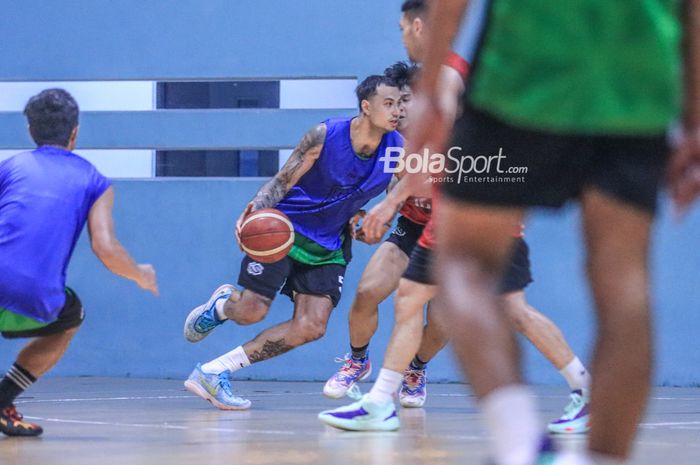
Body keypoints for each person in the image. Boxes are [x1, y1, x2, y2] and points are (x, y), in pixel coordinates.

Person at [407, 0, 700, 464]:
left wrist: (428, 93)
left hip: (519, 81)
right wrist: (695, 115)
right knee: (624, 283)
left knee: (464, 262)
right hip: (636, 91)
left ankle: (521, 444)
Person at [323, 0, 592, 436]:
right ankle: (378, 402)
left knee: (507, 310)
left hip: (472, 208)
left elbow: (440, 151)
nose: (403, 38)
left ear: (417, 26)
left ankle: (581, 391)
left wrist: (389, 205)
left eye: (402, 29)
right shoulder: (448, 74)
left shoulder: (444, 75)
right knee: (413, 299)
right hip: (465, 207)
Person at [182, 75, 403, 410]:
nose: (397, 110)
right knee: (250, 312)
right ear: (366, 106)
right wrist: (253, 212)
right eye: (389, 103)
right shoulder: (325, 135)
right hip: (283, 232)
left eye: (400, 103)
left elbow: (391, 200)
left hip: (329, 244)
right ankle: (223, 306)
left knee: (311, 327)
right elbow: (282, 181)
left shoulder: (399, 149)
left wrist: (371, 225)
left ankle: (213, 372)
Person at [0, 89, 159, 437]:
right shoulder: (94, 180)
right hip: (33, 292)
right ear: (75, 132)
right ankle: (3, 399)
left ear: (30, 130)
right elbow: (105, 248)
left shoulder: (10, 167)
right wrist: (139, 274)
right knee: (71, 316)